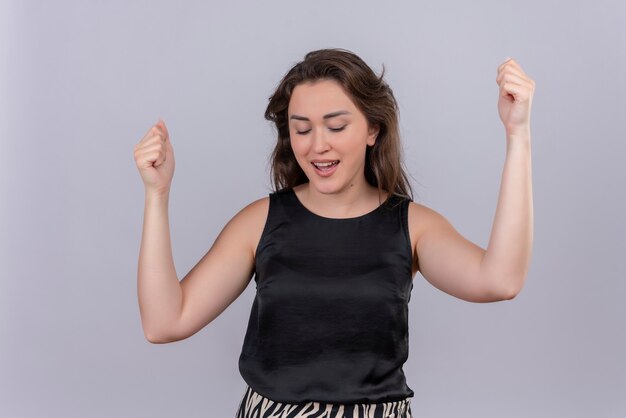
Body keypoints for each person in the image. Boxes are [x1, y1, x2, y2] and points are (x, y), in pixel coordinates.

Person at [133, 48, 535, 418]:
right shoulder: (259, 221)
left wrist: (518, 136)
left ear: (372, 130)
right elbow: (165, 322)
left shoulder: (412, 225)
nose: (317, 146)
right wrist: (157, 194)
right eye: (302, 129)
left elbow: (499, 280)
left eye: (336, 126)